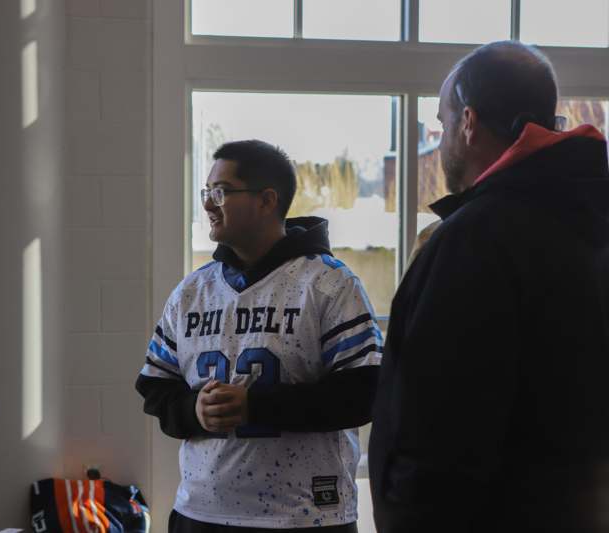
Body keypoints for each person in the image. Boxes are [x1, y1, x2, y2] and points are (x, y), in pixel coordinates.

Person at [369, 41, 609, 533]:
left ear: (469, 123)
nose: (440, 142)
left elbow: (440, 431)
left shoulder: (475, 240)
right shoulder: (590, 219)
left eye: (442, 123)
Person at [136, 140, 382, 533]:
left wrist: (255, 405)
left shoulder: (329, 283)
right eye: (207, 192)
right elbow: (155, 387)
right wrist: (193, 410)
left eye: (221, 192)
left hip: (306, 517)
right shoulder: (191, 292)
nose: (208, 204)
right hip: (201, 513)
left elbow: (363, 394)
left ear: (267, 200)